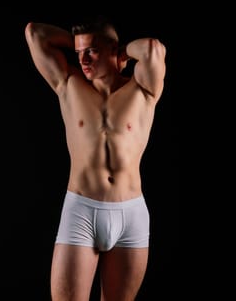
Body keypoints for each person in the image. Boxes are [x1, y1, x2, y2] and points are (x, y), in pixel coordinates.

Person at [24, 15, 166, 301]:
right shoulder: (68, 85)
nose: (83, 60)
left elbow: (152, 48)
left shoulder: (143, 90)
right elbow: (34, 32)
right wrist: (83, 43)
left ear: (112, 48)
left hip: (131, 215)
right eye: (78, 53)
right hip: (81, 211)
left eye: (91, 51)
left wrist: (120, 51)